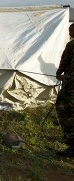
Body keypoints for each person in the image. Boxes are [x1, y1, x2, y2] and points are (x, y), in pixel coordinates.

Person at [55, 23, 74, 157]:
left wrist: (60, 75)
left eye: (70, 30)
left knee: (64, 109)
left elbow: (64, 62)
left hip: (71, 87)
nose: (69, 33)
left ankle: (72, 144)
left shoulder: (71, 45)